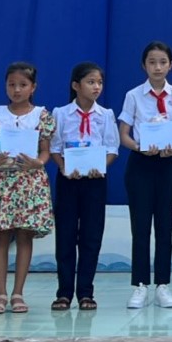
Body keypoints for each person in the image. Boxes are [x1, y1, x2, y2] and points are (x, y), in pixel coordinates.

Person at [0, 62, 56, 315]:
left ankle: (18, 293)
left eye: (23, 85)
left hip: (30, 182)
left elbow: (45, 151)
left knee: (24, 236)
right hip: (2, 182)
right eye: (12, 84)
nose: (17, 90)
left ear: (33, 87)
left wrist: (38, 162)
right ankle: (0, 293)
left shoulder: (42, 116)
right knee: (1, 235)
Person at [119, 41, 172, 309]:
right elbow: (123, 134)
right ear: (144, 65)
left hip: (169, 163)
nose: (157, 67)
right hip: (141, 164)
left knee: (164, 225)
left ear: (171, 65)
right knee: (140, 226)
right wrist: (139, 147)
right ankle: (140, 285)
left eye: (162, 62)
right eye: (152, 62)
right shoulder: (133, 95)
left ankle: (163, 284)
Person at [50, 62, 120, 311]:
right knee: (65, 235)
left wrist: (100, 166)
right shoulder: (61, 113)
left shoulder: (106, 115)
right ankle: (64, 293)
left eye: (99, 82)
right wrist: (63, 167)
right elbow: (54, 146)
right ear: (75, 85)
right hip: (68, 180)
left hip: (95, 181)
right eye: (91, 82)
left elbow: (112, 148)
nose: (96, 87)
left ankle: (86, 292)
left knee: (91, 236)